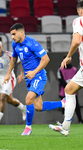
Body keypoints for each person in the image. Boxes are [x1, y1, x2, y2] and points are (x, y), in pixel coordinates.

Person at [3, 23, 65, 135]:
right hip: (29, 78)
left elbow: (46, 59)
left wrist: (34, 72)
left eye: (14, 34)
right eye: (11, 35)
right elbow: (14, 59)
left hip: (38, 75)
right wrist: (9, 74)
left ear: (21, 32)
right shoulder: (15, 44)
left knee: (28, 100)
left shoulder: (32, 43)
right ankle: (62, 103)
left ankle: (28, 128)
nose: (12, 37)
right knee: (38, 107)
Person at [49, 1, 83, 136]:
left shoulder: (79, 20)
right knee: (69, 89)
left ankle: (66, 127)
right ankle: (65, 126)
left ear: (80, 10)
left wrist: (68, 56)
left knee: (69, 90)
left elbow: (76, 41)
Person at [57, 56, 83, 123]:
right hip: (63, 91)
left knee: (76, 105)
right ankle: (65, 121)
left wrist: (72, 88)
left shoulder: (74, 69)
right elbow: (61, 80)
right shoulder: (60, 69)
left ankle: (80, 120)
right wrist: (68, 87)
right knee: (64, 105)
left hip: (74, 91)